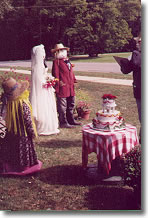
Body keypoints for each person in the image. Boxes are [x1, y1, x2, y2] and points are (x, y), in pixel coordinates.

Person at [0, 77, 42, 175]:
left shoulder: (8, 105)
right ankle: (25, 166)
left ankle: (10, 165)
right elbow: (28, 120)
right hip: (23, 135)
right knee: (23, 150)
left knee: (11, 149)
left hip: (11, 132)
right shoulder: (23, 104)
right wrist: (32, 132)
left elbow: (4, 117)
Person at [30, 44, 60, 135]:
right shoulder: (36, 67)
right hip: (41, 90)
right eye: (42, 53)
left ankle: (50, 124)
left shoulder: (42, 64)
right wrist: (47, 81)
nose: (44, 55)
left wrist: (49, 78)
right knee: (43, 105)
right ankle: (43, 126)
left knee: (49, 105)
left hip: (47, 89)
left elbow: (44, 75)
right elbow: (38, 80)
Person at [51, 43, 81, 128]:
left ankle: (71, 120)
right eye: (61, 50)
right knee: (62, 106)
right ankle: (63, 122)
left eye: (64, 50)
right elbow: (55, 75)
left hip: (70, 86)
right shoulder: (56, 62)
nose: (63, 52)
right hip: (63, 87)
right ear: (57, 52)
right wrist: (58, 84)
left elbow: (71, 72)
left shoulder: (67, 60)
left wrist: (74, 80)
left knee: (71, 103)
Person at [120, 35, 141, 143]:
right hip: (140, 91)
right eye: (138, 42)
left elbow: (137, 63)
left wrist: (136, 51)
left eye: (140, 42)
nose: (138, 43)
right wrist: (122, 64)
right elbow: (127, 70)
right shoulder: (135, 55)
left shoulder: (136, 54)